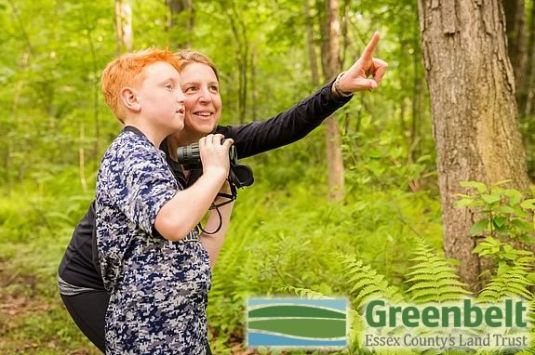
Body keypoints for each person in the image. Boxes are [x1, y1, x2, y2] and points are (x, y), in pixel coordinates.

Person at [58, 33, 387, 353]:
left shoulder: (214, 144)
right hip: (95, 281)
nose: (205, 97)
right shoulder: (140, 154)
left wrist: (339, 88)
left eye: (213, 88)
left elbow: (284, 126)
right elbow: (168, 223)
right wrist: (213, 175)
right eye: (187, 88)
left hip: (159, 283)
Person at [94, 48, 235, 353]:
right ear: (133, 99)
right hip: (149, 339)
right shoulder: (129, 154)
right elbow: (172, 223)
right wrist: (213, 172)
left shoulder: (154, 160)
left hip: (183, 335)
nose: (182, 98)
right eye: (169, 87)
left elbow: (195, 259)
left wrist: (223, 194)